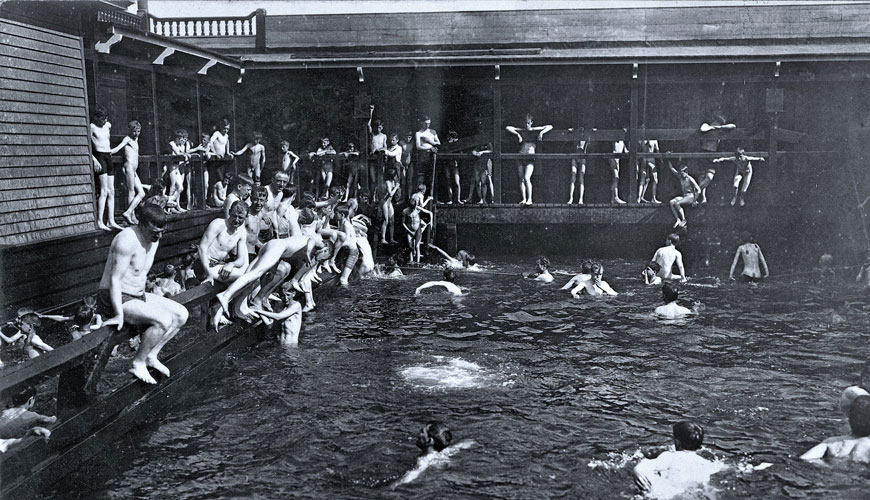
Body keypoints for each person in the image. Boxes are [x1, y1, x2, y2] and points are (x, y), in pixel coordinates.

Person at [97, 204, 189, 384]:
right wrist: (118, 314)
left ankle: (150, 356)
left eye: (162, 231)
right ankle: (137, 363)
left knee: (181, 314)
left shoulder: (153, 238)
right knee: (163, 319)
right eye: (156, 231)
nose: (159, 236)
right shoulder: (126, 240)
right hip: (115, 297)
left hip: (138, 295)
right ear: (143, 224)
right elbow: (115, 280)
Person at [634, 422, 726, 498]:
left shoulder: (669, 456)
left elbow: (640, 469)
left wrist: (648, 492)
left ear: (677, 442)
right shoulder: (707, 464)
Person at [801, 394, 870, 464]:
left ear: (849, 418)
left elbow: (805, 458)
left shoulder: (831, 442)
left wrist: (826, 467)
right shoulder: (867, 445)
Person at [505, 113, 553, 206]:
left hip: (530, 157)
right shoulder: (521, 130)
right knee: (521, 179)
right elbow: (508, 127)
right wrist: (518, 134)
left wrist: (542, 133)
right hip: (521, 156)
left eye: (528, 123)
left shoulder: (534, 130)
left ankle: (529, 199)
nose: (526, 125)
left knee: (527, 178)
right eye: (525, 123)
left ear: (531, 122)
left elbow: (550, 126)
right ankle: (523, 199)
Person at [90, 106, 123, 231]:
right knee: (104, 190)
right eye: (102, 119)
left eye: (106, 118)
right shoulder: (92, 127)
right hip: (99, 157)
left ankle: (111, 220)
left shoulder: (107, 125)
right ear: (96, 118)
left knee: (112, 190)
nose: (104, 121)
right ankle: (100, 221)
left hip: (108, 156)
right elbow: (87, 144)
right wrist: (94, 160)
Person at [110, 120, 146, 225]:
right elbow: (117, 149)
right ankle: (132, 216)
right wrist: (108, 152)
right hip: (129, 167)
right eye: (134, 131)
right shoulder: (127, 139)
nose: (136, 134)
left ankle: (128, 212)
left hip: (134, 170)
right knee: (132, 191)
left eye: (138, 131)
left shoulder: (136, 139)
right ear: (129, 130)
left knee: (142, 193)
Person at [698, 112, 736, 204]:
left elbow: (733, 126)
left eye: (720, 122)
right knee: (702, 176)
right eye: (717, 121)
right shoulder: (706, 125)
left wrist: (719, 128)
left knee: (709, 177)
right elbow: (703, 129)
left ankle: (695, 191)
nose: (717, 123)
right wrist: (712, 127)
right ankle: (703, 198)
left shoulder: (719, 130)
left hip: (713, 153)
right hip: (704, 152)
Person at [666, 158, 702, 229]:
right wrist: (668, 159)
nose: (681, 174)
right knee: (672, 202)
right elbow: (672, 169)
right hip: (684, 196)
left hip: (690, 197)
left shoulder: (690, 179)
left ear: (686, 172)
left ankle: (683, 219)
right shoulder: (680, 177)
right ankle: (678, 219)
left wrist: (695, 200)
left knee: (677, 203)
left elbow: (699, 190)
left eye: (682, 172)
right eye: (680, 172)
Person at [169, 128, 194, 210]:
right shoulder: (172, 144)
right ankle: (170, 207)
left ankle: (177, 205)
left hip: (177, 169)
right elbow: (178, 153)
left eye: (183, 138)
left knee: (180, 188)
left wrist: (187, 153)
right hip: (172, 168)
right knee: (172, 187)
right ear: (177, 138)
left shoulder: (181, 146)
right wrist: (186, 154)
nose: (182, 140)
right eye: (181, 138)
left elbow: (184, 153)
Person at [414, 114, 441, 188]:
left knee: (432, 176)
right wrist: (429, 148)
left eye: (429, 123)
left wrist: (429, 141)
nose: (427, 125)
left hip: (432, 156)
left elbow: (438, 143)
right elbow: (418, 146)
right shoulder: (418, 133)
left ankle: (431, 197)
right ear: (422, 122)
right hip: (423, 156)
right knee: (421, 177)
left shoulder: (433, 131)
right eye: (426, 123)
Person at [567, 129, 590, 204]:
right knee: (573, 176)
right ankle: (571, 198)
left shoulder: (587, 138)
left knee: (581, 177)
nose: (581, 133)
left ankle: (581, 199)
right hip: (575, 157)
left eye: (582, 131)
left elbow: (588, 144)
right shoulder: (575, 137)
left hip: (582, 157)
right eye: (579, 131)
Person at [379, 168, 401, 245]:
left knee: (392, 221)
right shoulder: (388, 182)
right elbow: (390, 193)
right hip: (384, 202)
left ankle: (391, 239)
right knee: (386, 220)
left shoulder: (393, 182)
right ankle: (383, 239)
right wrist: (396, 187)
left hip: (389, 202)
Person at [368, 105, 388, 186]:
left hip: (381, 159)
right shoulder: (372, 134)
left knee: (380, 178)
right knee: (373, 179)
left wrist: (380, 150)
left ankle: (379, 196)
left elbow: (385, 147)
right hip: (372, 159)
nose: (378, 129)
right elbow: (368, 125)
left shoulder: (384, 136)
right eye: (377, 127)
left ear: (382, 127)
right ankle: (373, 196)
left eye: (380, 127)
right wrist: (371, 111)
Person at [637, 135, 661, 204]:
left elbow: (657, 151)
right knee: (653, 179)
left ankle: (640, 198)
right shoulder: (645, 140)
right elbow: (657, 151)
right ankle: (645, 198)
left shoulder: (642, 140)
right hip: (649, 159)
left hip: (645, 159)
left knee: (646, 180)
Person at [609, 136, 628, 204]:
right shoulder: (614, 141)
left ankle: (612, 198)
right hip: (613, 160)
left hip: (618, 160)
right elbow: (614, 151)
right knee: (616, 178)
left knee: (616, 179)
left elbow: (626, 151)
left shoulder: (622, 142)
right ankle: (615, 197)